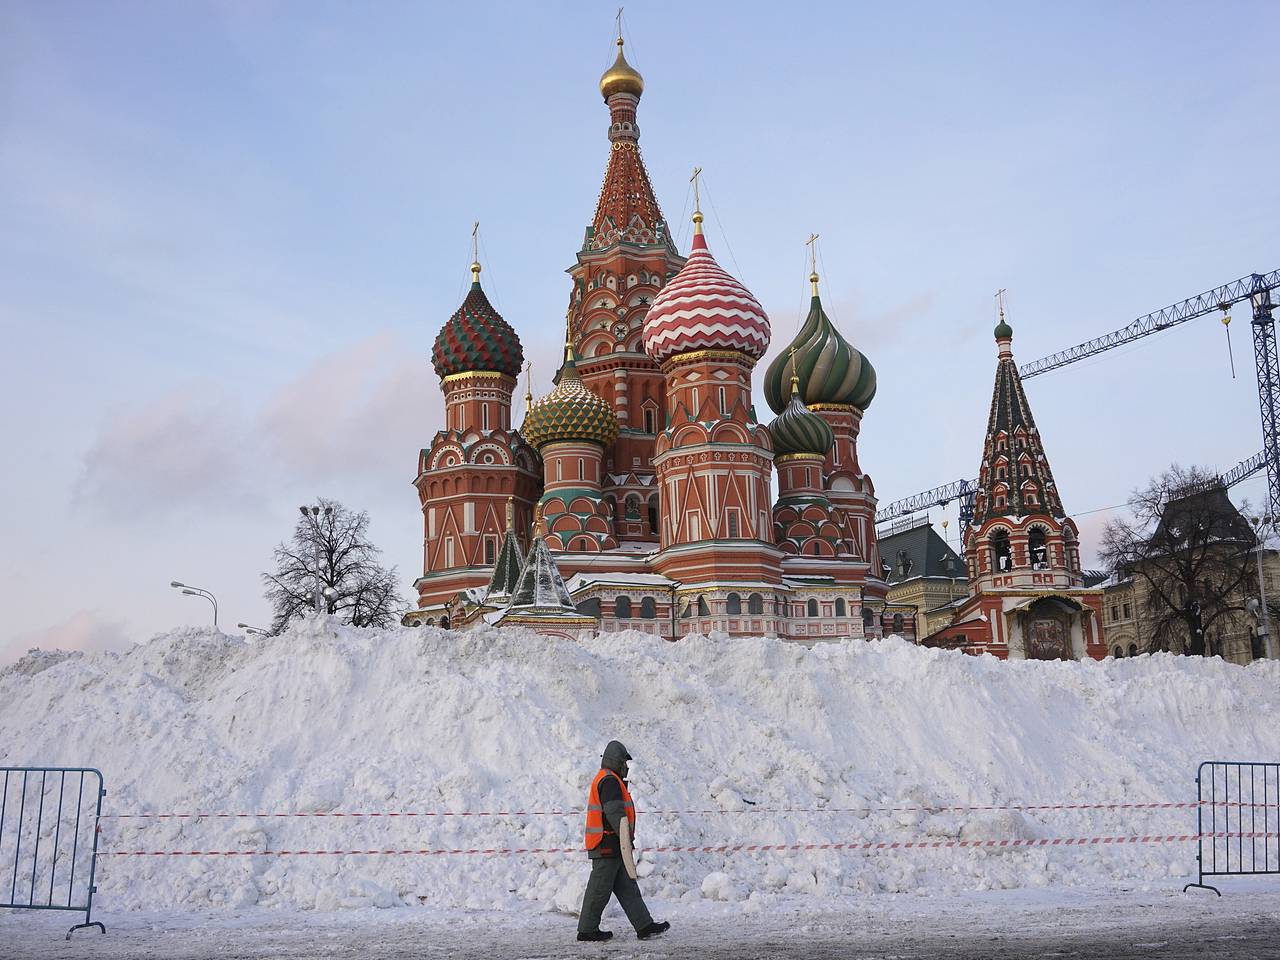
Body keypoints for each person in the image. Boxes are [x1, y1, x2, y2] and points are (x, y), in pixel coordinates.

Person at [577, 740, 670, 942]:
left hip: (613, 845)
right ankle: (586, 930)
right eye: (624, 762)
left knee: (628, 889)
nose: (626, 766)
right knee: (599, 890)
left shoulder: (610, 779)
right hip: (607, 845)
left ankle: (644, 926)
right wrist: (625, 838)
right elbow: (615, 813)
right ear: (616, 761)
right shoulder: (609, 781)